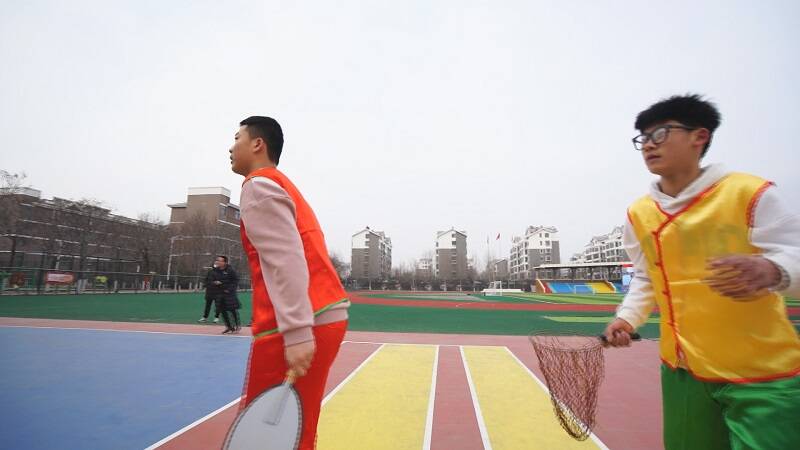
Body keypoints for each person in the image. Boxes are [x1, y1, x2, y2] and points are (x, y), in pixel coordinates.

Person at [603, 94, 800, 449]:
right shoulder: (639, 213)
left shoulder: (750, 193)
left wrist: (773, 269)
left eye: (660, 133)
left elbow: (794, 252)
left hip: (762, 372)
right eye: (643, 138)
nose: (648, 145)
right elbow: (646, 275)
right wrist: (628, 318)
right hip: (682, 371)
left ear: (700, 136)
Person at [229, 116, 349, 449]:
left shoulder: (258, 186)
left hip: (299, 322)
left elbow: (286, 258)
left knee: (268, 439)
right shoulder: (281, 184)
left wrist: (296, 331)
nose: (231, 146)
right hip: (321, 313)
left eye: (237, 137)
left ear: (258, 144)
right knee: (297, 431)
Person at [206, 255, 240, 334]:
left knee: (232, 310)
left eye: (220, 260)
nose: (218, 262)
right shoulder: (214, 271)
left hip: (229, 293)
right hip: (219, 293)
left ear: (225, 262)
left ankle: (237, 326)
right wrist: (214, 282)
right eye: (217, 260)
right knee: (222, 310)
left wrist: (229, 289)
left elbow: (235, 280)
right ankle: (229, 327)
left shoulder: (230, 270)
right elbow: (209, 281)